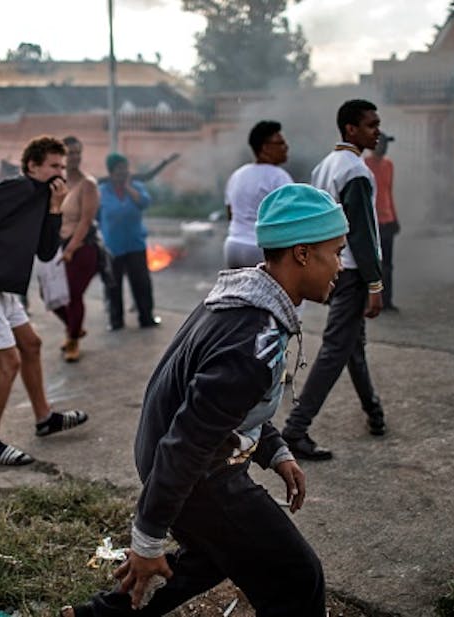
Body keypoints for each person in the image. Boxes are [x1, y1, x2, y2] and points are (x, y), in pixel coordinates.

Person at [61, 183, 347, 617]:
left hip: (177, 457)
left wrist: (275, 451)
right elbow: (188, 442)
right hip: (198, 474)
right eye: (336, 252)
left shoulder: (246, 297)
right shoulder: (253, 341)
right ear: (303, 253)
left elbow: (233, 405)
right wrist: (147, 539)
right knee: (298, 578)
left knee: (216, 553)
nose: (341, 266)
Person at [0, 135, 89, 466]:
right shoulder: (19, 188)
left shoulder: (43, 198)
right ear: (32, 166)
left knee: (31, 344)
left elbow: (46, 251)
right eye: (53, 166)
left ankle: (45, 418)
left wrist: (55, 209)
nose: (61, 172)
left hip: (3, 289)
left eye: (63, 166)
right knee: (8, 362)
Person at [281, 99, 386, 461]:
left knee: (351, 344)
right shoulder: (355, 171)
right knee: (336, 350)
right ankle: (295, 430)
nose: (377, 131)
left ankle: (374, 411)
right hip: (353, 271)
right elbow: (363, 233)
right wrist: (375, 284)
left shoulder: (325, 166)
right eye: (371, 125)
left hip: (334, 267)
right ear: (350, 129)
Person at [97, 153, 160, 330]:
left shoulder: (137, 187)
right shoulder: (102, 191)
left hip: (135, 244)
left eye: (125, 168)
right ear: (111, 171)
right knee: (113, 285)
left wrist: (128, 188)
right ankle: (115, 321)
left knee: (141, 283)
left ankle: (146, 318)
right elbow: (96, 215)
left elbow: (145, 203)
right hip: (112, 246)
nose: (123, 172)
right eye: (119, 169)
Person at [54, 136, 100, 362]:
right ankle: (74, 327)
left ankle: (73, 341)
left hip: (81, 248)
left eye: (77, 152)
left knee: (73, 296)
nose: (74, 157)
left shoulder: (87, 184)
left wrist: (71, 249)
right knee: (50, 295)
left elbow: (85, 221)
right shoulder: (57, 183)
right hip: (57, 246)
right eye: (69, 153)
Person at [223, 120, 293, 268]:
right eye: (280, 143)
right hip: (260, 249)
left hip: (233, 246)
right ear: (265, 147)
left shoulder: (237, 174)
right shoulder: (279, 176)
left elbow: (230, 213)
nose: (286, 147)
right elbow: (290, 217)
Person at [364, 132, 400, 311]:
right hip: (371, 221)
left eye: (386, 144)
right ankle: (368, 300)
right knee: (371, 263)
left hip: (387, 220)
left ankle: (387, 300)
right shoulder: (364, 165)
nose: (384, 148)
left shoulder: (389, 165)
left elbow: (388, 192)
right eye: (381, 144)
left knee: (387, 265)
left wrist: (395, 217)